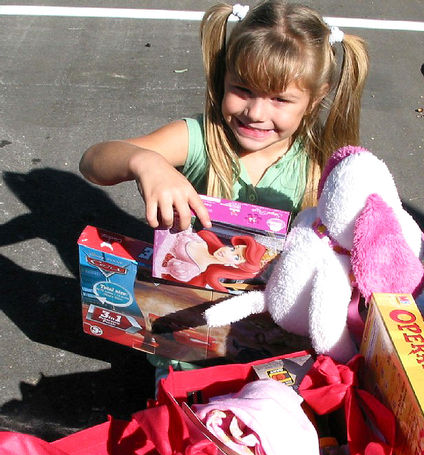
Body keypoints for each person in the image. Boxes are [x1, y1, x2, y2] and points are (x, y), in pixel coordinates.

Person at [79, 0, 369, 376]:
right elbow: (93, 162)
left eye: (280, 99)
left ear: (315, 98)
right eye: (243, 89)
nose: (256, 113)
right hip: (189, 344)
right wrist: (144, 161)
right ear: (222, 78)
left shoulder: (322, 166)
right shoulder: (202, 139)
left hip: (279, 352)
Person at [156, 228, 267, 292]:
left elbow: (159, 269)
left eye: (236, 257)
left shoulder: (193, 270)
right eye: (233, 248)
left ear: (234, 265)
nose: (227, 251)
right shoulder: (202, 241)